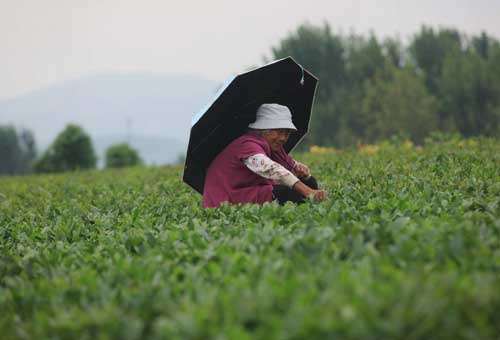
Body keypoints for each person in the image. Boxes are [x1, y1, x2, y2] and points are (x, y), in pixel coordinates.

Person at [202, 103, 327, 208]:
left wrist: (303, 174)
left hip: (247, 191)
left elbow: (289, 164)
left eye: (287, 133)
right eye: (278, 131)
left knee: (309, 183)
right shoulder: (247, 144)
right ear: (263, 129)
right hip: (226, 199)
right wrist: (308, 191)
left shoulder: (272, 146)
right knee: (287, 193)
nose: (283, 138)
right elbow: (271, 168)